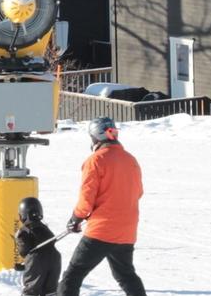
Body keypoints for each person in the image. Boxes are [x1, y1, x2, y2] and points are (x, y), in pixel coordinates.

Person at [59, 117, 146, 296]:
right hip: (126, 231)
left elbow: (86, 199)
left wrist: (76, 218)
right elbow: (138, 192)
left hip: (101, 231)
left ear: (95, 138)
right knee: (126, 275)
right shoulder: (131, 160)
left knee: (73, 275)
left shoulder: (95, 160)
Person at [14, 196, 62, 296]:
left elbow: (24, 251)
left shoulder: (24, 230)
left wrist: (26, 262)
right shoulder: (45, 228)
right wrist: (25, 265)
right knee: (51, 291)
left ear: (22, 215)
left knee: (31, 290)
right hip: (55, 258)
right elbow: (51, 241)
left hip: (36, 260)